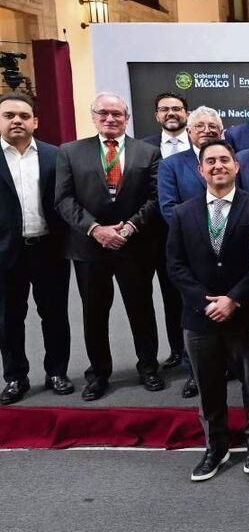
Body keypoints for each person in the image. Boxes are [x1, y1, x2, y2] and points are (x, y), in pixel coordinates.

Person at [166, 140, 249, 481]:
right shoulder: (183, 212)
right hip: (199, 317)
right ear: (201, 170)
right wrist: (204, 301)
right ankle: (216, 447)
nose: (218, 165)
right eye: (210, 161)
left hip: (245, 313)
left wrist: (234, 299)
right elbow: (175, 266)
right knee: (208, 387)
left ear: (236, 166)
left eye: (225, 159)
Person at [55, 92, 163, 401]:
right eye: (103, 113)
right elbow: (63, 199)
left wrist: (128, 228)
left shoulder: (148, 152)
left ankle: (148, 367)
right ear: (93, 116)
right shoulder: (71, 152)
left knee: (141, 309)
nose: (110, 118)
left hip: (135, 246)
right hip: (89, 249)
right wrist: (95, 229)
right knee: (94, 313)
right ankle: (98, 373)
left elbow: (155, 197)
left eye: (117, 114)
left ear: (126, 118)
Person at [0, 93, 72, 404]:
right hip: (5, 254)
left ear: (36, 121)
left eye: (24, 115)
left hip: (49, 250)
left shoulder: (56, 156)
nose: (17, 120)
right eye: (9, 115)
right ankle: (16, 377)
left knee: (55, 315)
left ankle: (56, 371)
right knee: (8, 319)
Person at [158, 105, 226, 398]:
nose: (207, 130)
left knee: (231, 307)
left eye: (213, 126)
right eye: (201, 126)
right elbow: (168, 209)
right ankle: (195, 372)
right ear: (189, 131)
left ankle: (229, 365)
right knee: (195, 309)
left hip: (229, 248)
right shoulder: (172, 165)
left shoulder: (231, 161)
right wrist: (205, 233)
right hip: (192, 252)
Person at [141, 93, 189, 379]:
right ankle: (175, 349)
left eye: (177, 108)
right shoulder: (143, 148)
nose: (171, 113)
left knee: (189, 294)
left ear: (187, 113)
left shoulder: (199, 146)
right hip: (155, 237)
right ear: (157, 115)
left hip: (194, 236)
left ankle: (192, 350)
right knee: (167, 296)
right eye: (165, 109)